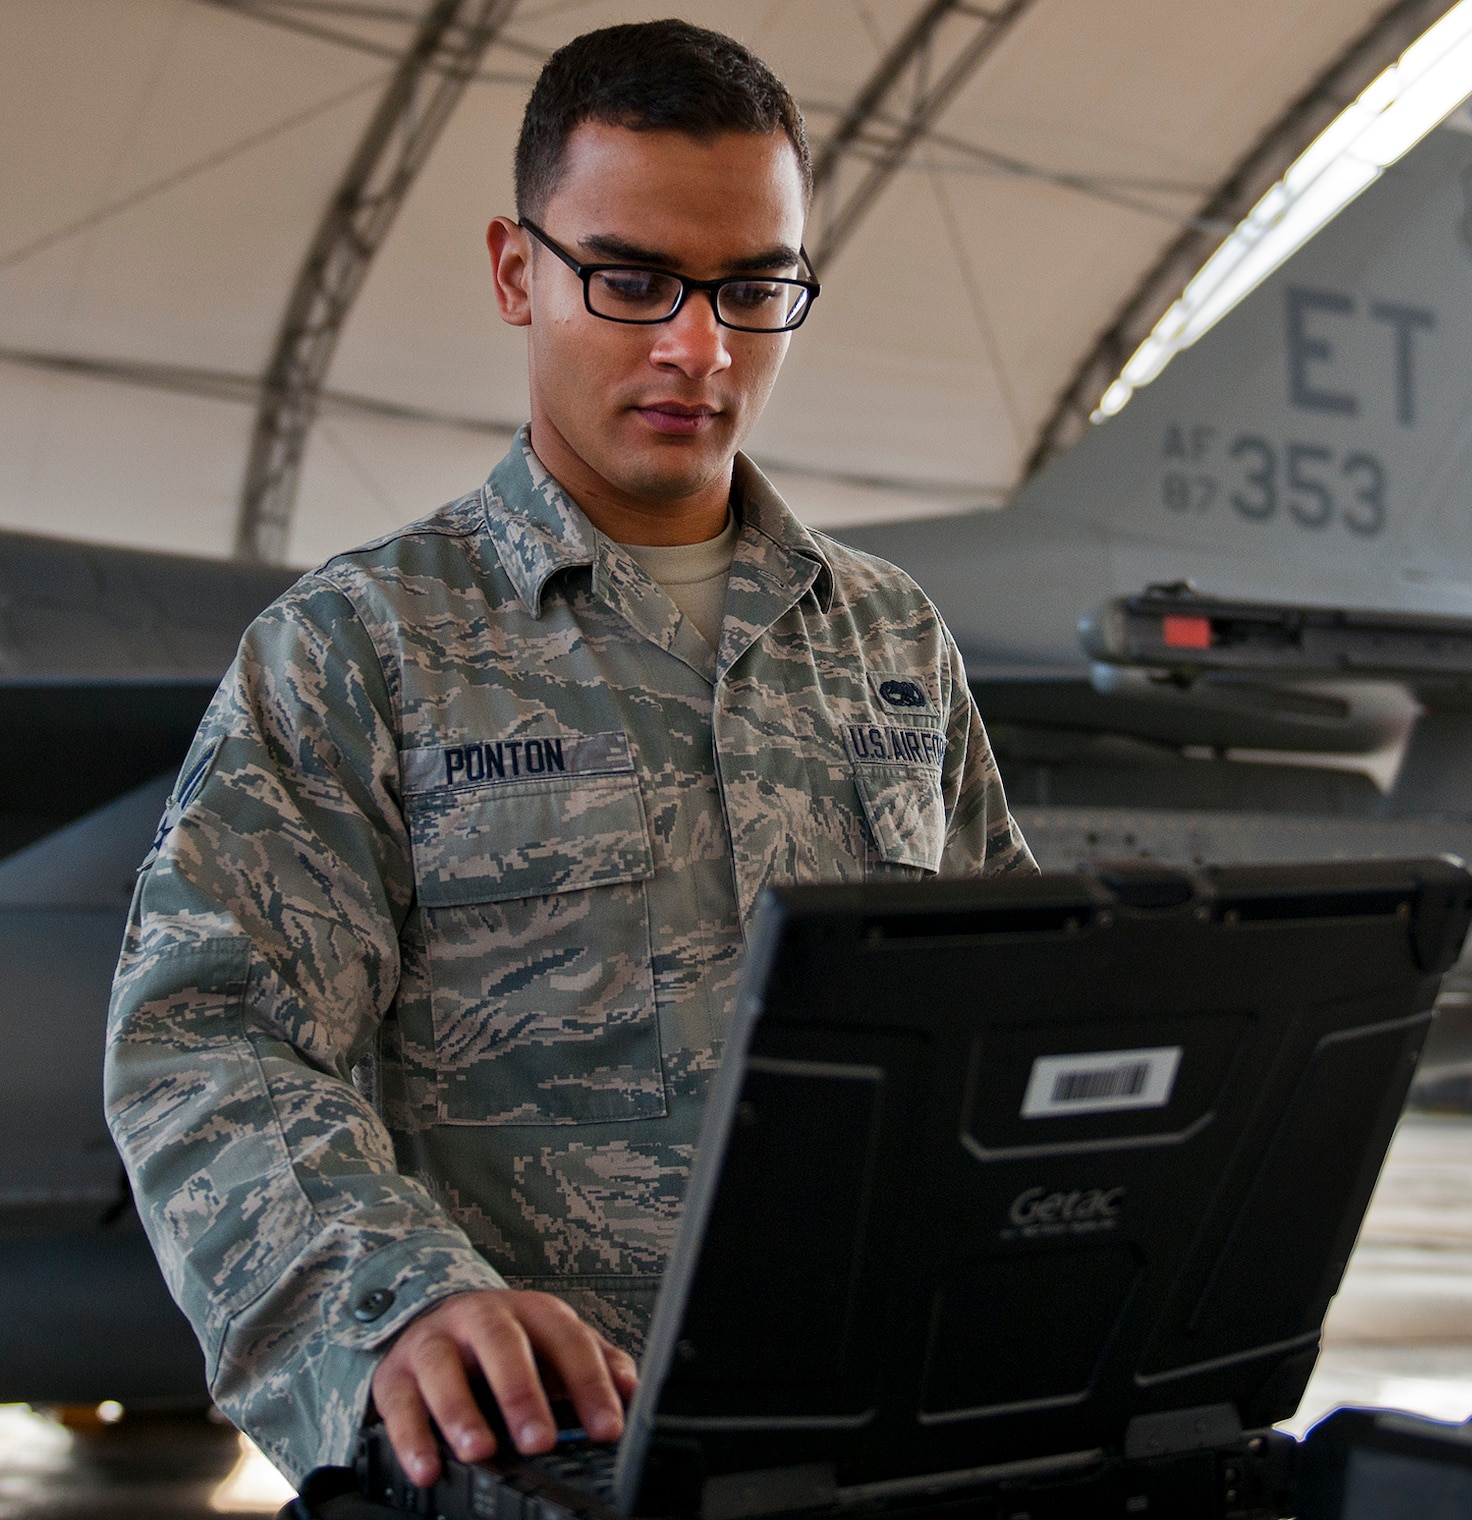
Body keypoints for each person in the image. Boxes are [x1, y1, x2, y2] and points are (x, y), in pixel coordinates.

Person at [104, 19, 1033, 1488]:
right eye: (632, 279)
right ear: (515, 270)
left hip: (875, 1449)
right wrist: (404, 1307)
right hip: (547, 1460)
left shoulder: (891, 643)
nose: (698, 346)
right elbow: (208, 1044)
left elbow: (1010, 1009)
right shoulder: (362, 649)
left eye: (753, 287)